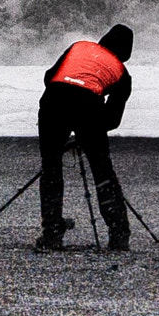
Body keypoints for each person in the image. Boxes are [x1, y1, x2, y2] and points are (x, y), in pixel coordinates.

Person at [35, 23, 134, 252]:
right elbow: (112, 120)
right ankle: (119, 233)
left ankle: (51, 232)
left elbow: (50, 76)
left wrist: (66, 117)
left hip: (52, 101)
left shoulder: (78, 46)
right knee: (102, 171)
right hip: (89, 106)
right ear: (126, 52)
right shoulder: (121, 72)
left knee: (51, 169)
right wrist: (86, 133)